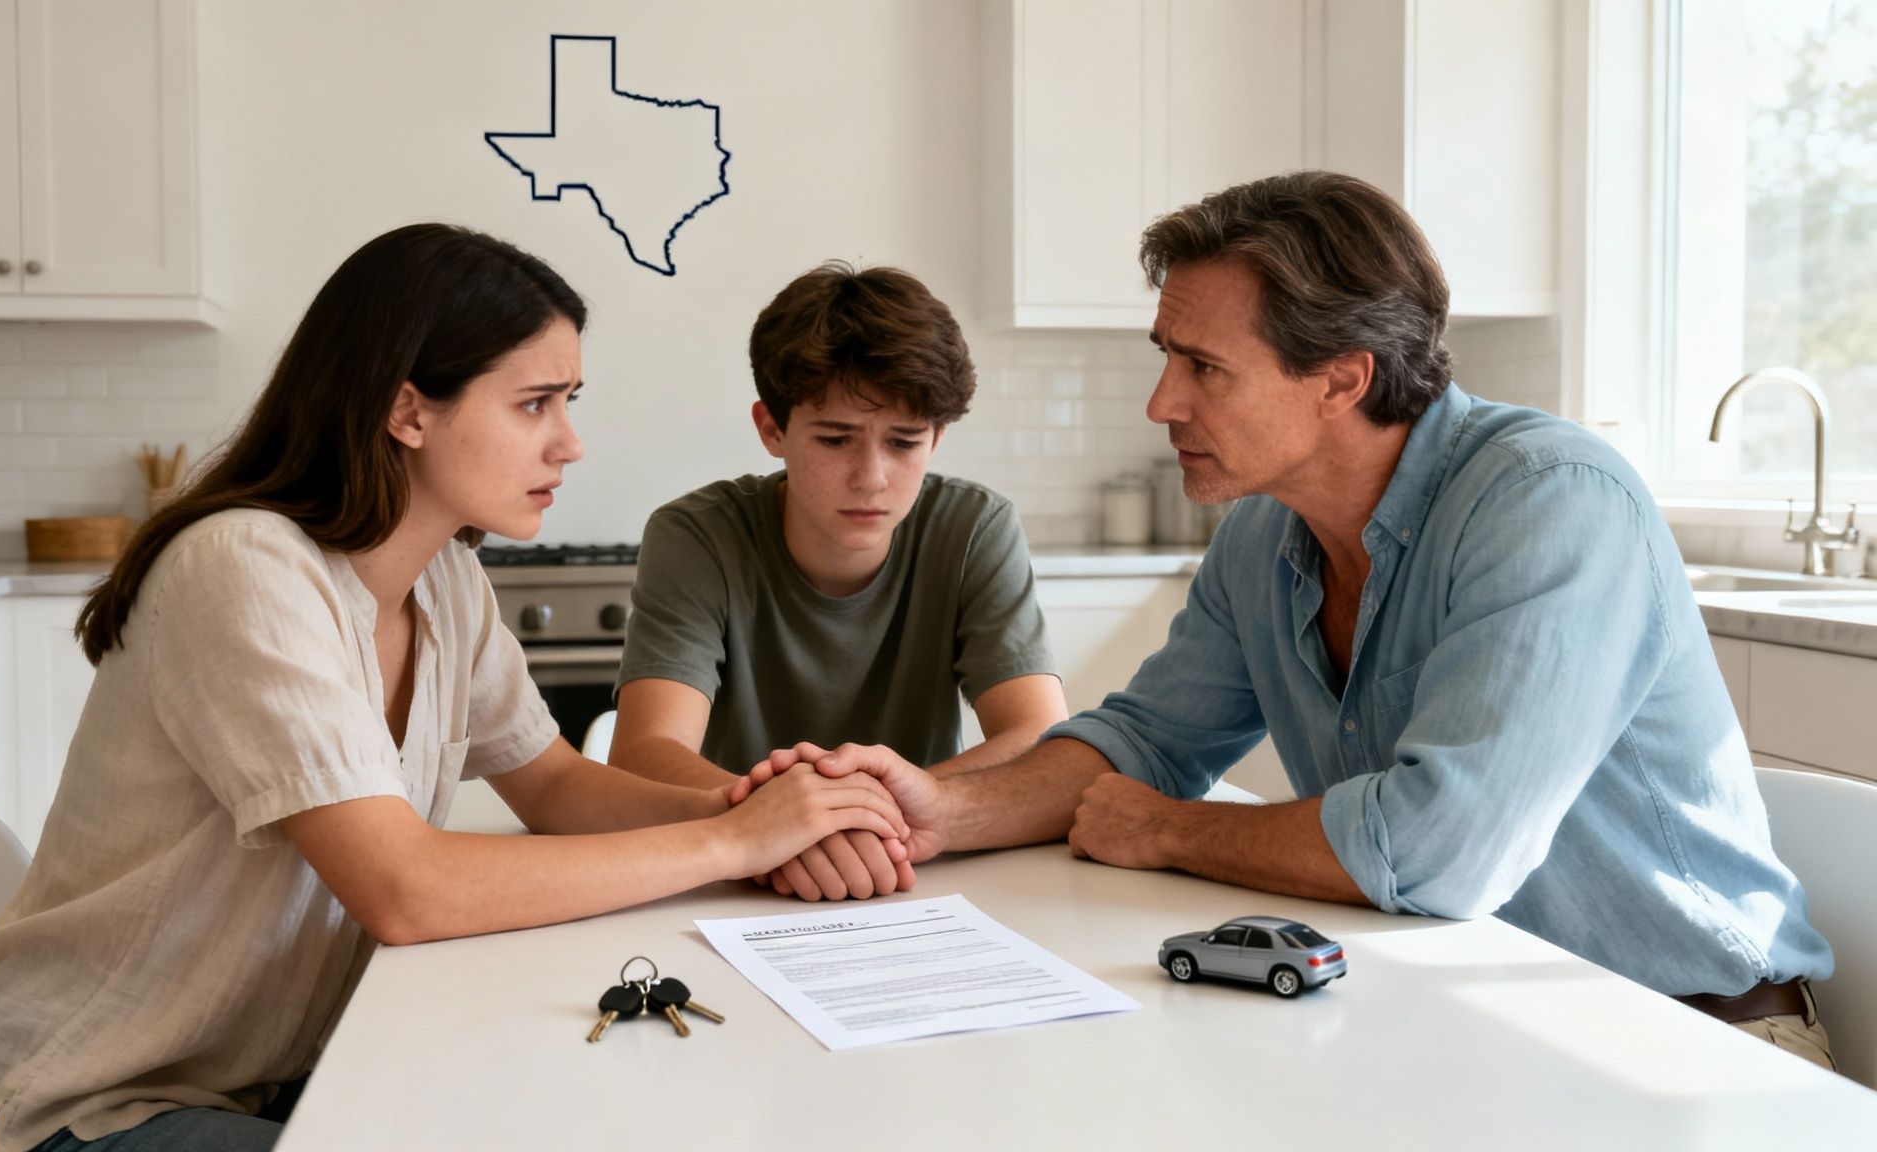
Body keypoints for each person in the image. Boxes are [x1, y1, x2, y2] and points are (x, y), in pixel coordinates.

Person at [736, 172, 1838, 1069]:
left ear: (1340, 380)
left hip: (1694, 1047)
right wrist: (940, 811)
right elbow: (1145, 742)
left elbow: (1440, 850)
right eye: (1165, 357)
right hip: (1470, 1020)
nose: (1161, 402)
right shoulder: (1264, 535)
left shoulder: (1550, 501)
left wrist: (1165, 829)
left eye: (1201, 366)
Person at [0, 225, 909, 1152]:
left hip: (270, 1078)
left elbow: (557, 787)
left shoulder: (442, 578)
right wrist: (734, 839)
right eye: (534, 404)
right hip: (78, 1110)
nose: (568, 443)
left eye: (570, 401)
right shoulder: (244, 567)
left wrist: (768, 811)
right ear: (407, 410)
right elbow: (406, 889)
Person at [610, 262, 1067, 901]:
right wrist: (780, 825)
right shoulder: (696, 536)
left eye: (904, 442)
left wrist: (841, 819)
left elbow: (1037, 738)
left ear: (937, 439)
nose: (871, 477)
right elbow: (644, 751)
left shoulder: (973, 527)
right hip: (737, 877)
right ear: (772, 429)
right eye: (835, 438)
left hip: (913, 871)